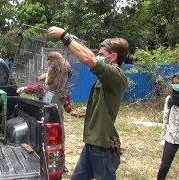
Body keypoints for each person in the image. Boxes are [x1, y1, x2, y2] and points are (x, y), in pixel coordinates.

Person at [48, 26, 129, 179]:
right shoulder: (106, 77)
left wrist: (65, 37)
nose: (98, 56)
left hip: (103, 147)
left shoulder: (116, 76)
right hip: (92, 144)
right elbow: (89, 55)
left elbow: (88, 59)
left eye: (101, 54)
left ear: (113, 56)